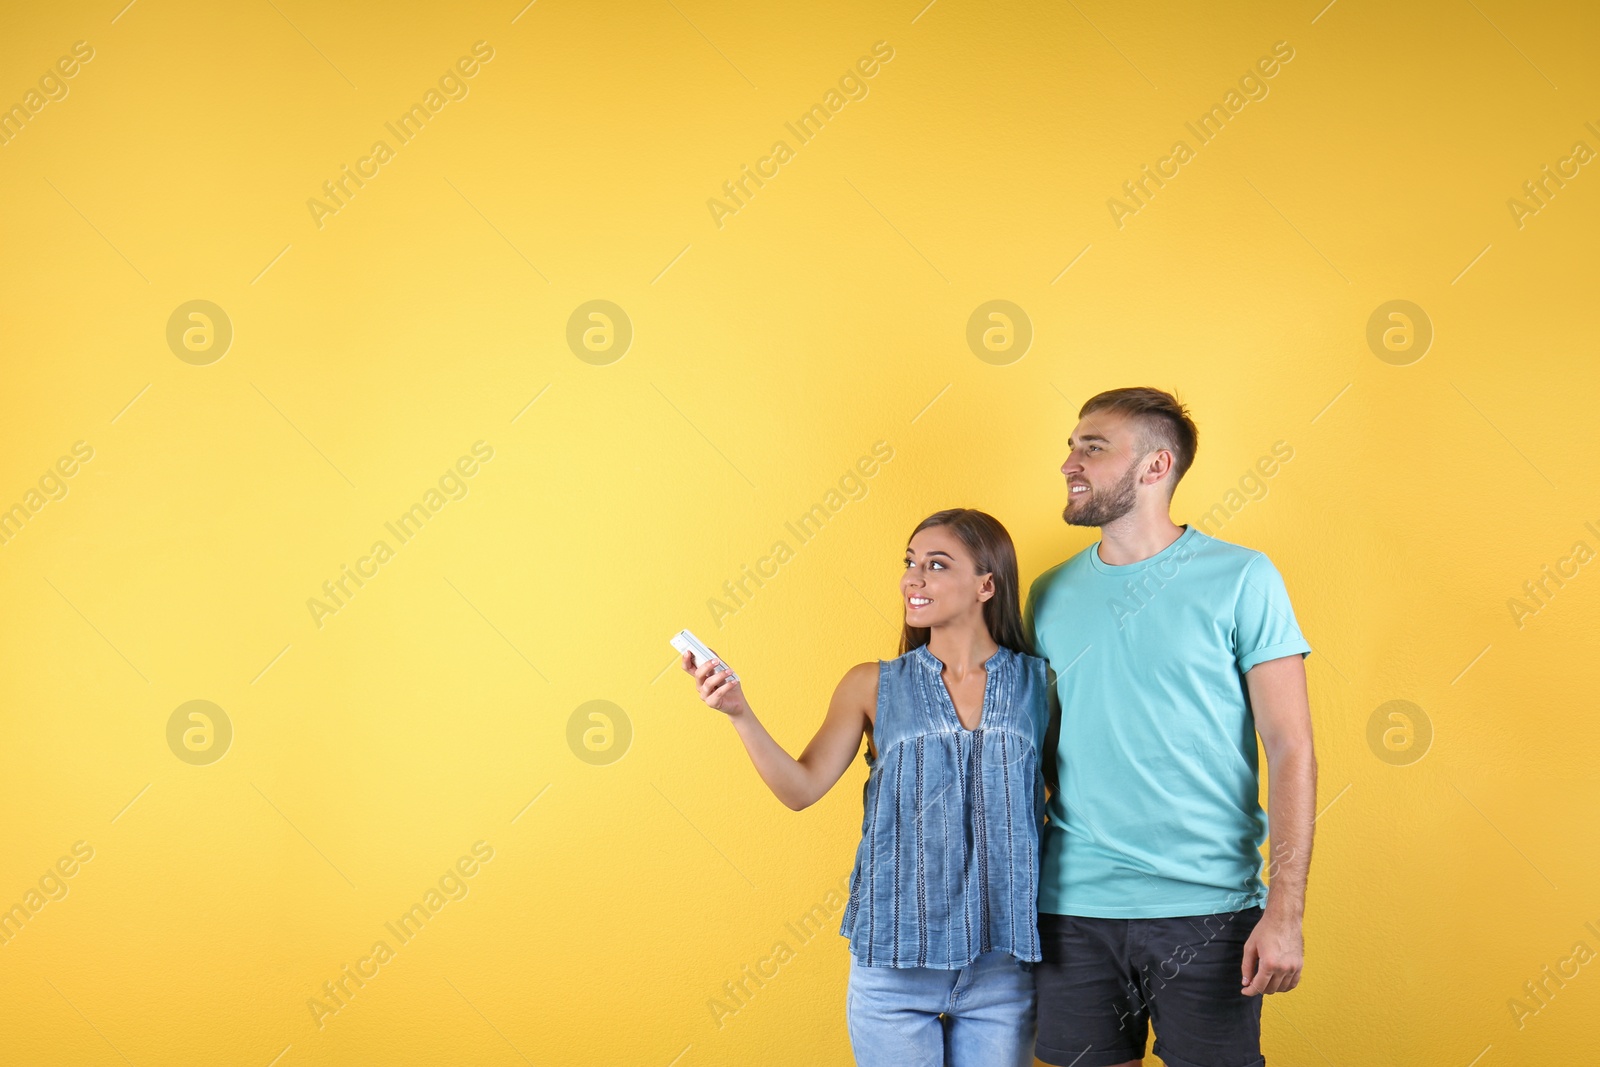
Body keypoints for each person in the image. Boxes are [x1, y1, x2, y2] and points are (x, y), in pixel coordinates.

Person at [679, 508, 1051, 1067]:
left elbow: (1070, 796)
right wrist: (739, 713)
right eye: (909, 563)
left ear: (986, 584)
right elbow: (800, 788)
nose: (912, 578)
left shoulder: (1038, 682)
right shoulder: (870, 684)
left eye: (936, 564)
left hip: (1002, 963)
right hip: (892, 964)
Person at [1025, 387, 1316, 1067]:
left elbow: (1292, 748)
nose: (1069, 462)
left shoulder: (1243, 576)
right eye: (1070, 446)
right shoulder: (1047, 593)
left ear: (1156, 467)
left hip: (1210, 910)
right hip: (1072, 909)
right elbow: (1032, 750)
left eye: (1091, 447)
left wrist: (1286, 911)